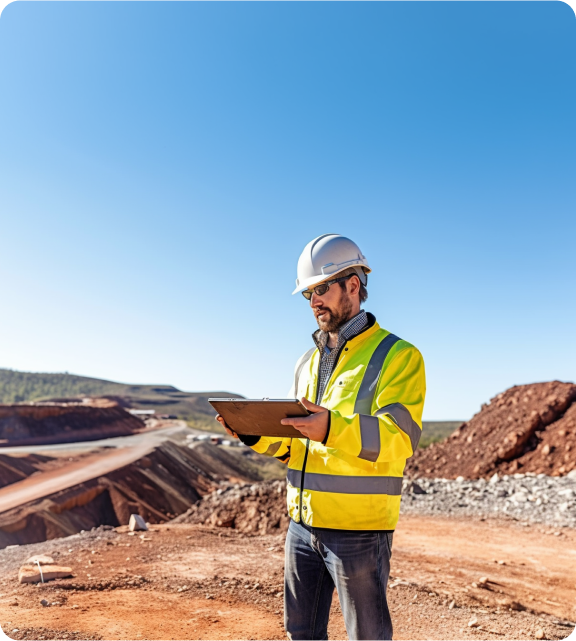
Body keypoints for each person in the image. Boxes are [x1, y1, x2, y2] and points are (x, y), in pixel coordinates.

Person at [217, 233, 426, 641]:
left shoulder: (398, 357)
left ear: (353, 284)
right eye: (308, 293)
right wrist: (254, 435)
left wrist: (332, 427)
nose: (314, 301)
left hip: (358, 532)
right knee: (301, 633)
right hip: (302, 526)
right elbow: (298, 445)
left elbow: (399, 439)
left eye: (321, 289)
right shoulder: (307, 363)